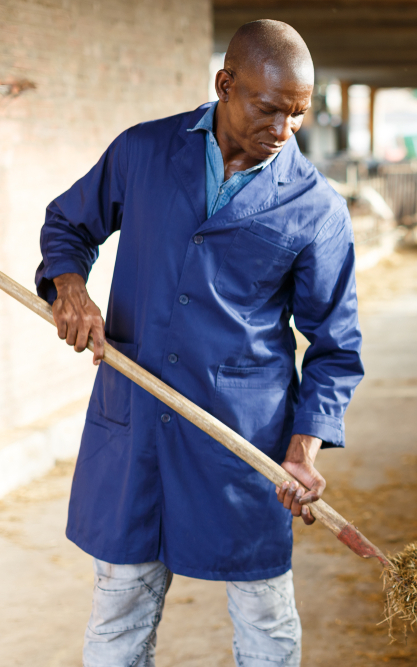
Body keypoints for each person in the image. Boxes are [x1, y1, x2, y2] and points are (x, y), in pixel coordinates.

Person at [35, 20, 362, 666]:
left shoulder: (316, 207)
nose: (284, 130)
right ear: (225, 85)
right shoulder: (144, 152)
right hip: (137, 427)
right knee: (119, 612)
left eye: (298, 115)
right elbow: (68, 224)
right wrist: (69, 286)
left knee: (267, 624)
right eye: (269, 109)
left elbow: (335, 346)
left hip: (242, 443)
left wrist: (302, 450)